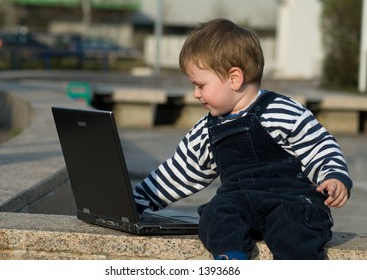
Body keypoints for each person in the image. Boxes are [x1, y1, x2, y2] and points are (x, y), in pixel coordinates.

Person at [134, 18, 352, 260]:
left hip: (290, 201)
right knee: (215, 214)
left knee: (294, 228)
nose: (195, 94)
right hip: (240, 203)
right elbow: (180, 170)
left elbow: (319, 145)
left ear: (234, 78)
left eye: (200, 85)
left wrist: (333, 176)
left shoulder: (281, 110)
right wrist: (138, 200)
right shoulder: (207, 128)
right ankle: (231, 260)